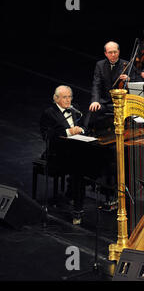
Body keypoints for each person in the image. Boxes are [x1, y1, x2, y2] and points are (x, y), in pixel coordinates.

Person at [39, 85, 86, 225]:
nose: (68, 100)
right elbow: (47, 135)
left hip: (76, 150)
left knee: (82, 166)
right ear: (56, 99)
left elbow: (84, 126)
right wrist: (68, 132)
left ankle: (73, 193)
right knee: (79, 170)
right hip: (57, 154)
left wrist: (81, 130)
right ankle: (77, 210)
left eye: (69, 97)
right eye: (64, 97)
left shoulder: (75, 109)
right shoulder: (49, 113)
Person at [86, 41, 129, 130]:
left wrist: (129, 80)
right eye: (110, 52)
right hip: (105, 102)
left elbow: (137, 81)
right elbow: (96, 84)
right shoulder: (100, 65)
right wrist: (95, 100)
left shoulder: (127, 64)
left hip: (121, 103)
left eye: (115, 52)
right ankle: (86, 132)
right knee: (93, 109)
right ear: (105, 53)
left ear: (119, 52)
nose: (113, 54)